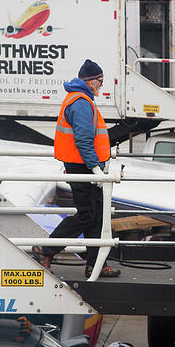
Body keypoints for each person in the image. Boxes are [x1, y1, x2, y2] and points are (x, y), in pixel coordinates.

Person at [33, 59, 121, 278]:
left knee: (96, 215)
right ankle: (46, 250)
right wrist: (95, 169)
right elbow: (83, 140)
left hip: (84, 168)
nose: (101, 85)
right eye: (100, 81)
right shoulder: (81, 102)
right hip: (83, 168)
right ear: (90, 81)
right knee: (87, 215)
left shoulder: (80, 99)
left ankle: (95, 264)